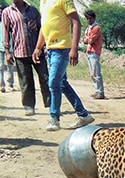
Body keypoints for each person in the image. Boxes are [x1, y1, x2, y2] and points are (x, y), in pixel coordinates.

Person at [32, 0, 95, 131]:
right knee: (61, 83)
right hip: (50, 50)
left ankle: (54, 118)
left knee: (53, 82)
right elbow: (45, 27)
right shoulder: (43, 2)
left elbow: (76, 22)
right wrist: (38, 47)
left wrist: (74, 48)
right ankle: (83, 115)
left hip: (62, 49)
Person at [2, 0, 51, 116]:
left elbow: (42, 29)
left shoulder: (33, 10)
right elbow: (5, 33)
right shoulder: (7, 12)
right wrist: (8, 52)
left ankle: (50, 105)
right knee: (25, 81)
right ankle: (29, 106)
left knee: (45, 78)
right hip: (20, 53)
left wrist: (43, 47)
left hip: (37, 51)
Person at [82, 10, 105, 99]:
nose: (88, 20)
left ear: (94, 18)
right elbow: (84, 40)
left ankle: (100, 92)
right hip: (89, 51)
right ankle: (97, 91)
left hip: (94, 51)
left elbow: (91, 40)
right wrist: (87, 39)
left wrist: (87, 39)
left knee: (96, 73)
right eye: (87, 18)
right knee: (92, 73)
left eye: (90, 18)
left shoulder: (96, 28)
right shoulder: (89, 28)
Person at [0, 5, 15, 93]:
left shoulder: (9, 22)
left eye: (1, 10)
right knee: (0, 66)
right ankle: (1, 84)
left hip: (10, 47)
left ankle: (10, 84)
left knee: (10, 66)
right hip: (0, 47)